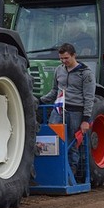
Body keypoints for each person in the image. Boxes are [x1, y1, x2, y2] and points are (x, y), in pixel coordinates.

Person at [39, 43, 95, 176]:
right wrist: (40, 101)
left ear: (74, 55)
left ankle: (72, 172)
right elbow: (54, 91)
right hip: (58, 110)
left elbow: (89, 98)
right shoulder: (59, 70)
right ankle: (53, 171)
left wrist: (86, 119)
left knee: (71, 142)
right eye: (61, 59)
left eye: (66, 58)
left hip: (76, 112)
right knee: (52, 139)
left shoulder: (86, 73)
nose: (64, 61)